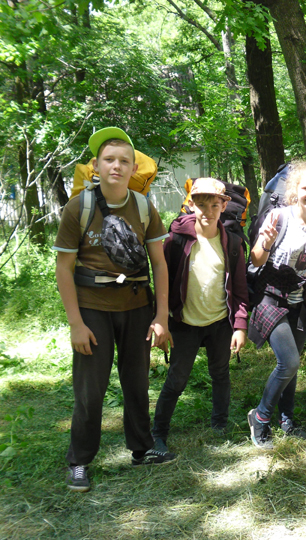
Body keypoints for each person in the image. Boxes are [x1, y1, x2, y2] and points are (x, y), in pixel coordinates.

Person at [53, 127, 176, 493]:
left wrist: (161, 316)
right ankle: (79, 461)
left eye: (124, 161)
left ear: (133, 167)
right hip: (92, 308)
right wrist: (75, 324)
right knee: (90, 390)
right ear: (96, 165)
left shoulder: (143, 206)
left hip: (137, 306)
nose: (117, 166)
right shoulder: (79, 207)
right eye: (109, 160)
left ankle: (142, 448)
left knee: (137, 382)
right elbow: (64, 267)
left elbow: (160, 263)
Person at [151, 178, 249, 453]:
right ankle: (158, 433)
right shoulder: (176, 239)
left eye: (214, 205)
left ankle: (219, 425)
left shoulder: (232, 242)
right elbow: (162, 281)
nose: (208, 211)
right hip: (184, 323)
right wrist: (160, 320)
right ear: (191, 205)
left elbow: (240, 287)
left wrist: (240, 325)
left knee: (220, 373)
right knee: (177, 379)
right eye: (202, 204)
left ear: (224, 206)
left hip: (220, 322)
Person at [246, 161, 306, 449]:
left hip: (299, 299)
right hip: (270, 296)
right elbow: (256, 259)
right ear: (295, 188)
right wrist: (266, 243)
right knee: (290, 362)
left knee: (291, 363)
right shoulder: (279, 216)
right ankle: (260, 417)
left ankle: (287, 419)